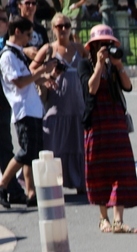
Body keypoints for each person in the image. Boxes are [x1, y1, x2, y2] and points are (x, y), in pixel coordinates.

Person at [78, 24, 137, 233]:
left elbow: (128, 87)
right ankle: (103, 218)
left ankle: (118, 220)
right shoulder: (84, 65)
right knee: (99, 168)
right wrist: (98, 65)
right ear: (93, 46)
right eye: (101, 44)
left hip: (115, 121)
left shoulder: (113, 65)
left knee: (121, 168)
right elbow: (91, 89)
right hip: (96, 121)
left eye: (109, 43)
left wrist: (118, 65)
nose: (105, 47)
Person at [0, 15, 56, 209]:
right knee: (26, 151)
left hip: (32, 109)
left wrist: (45, 78)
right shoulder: (7, 56)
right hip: (23, 110)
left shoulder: (17, 54)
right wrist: (42, 71)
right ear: (17, 32)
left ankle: (32, 192)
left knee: (34, 153)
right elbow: (19, 82)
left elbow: (28, 78)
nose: (30, 39)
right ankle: (2, 184)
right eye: (28, 35)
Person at [31, 13, 88, 193]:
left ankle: (80, 182)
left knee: (78, 146)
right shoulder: (48, 49)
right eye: (59, 26)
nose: (63, 29)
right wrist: (46, 76)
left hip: (77, 106)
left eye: (66, 25)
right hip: (56, 106)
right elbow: (32, 70)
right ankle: (52, 186)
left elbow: (90, 65)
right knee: (53, 147)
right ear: (53, 29)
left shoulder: (78, 48)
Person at [0, 7, 27, 205]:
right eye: (2, 19)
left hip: (3, 99)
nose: (6, 23)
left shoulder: (6, 45)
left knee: (4, 145)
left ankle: (11, 189)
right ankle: (10, 187)